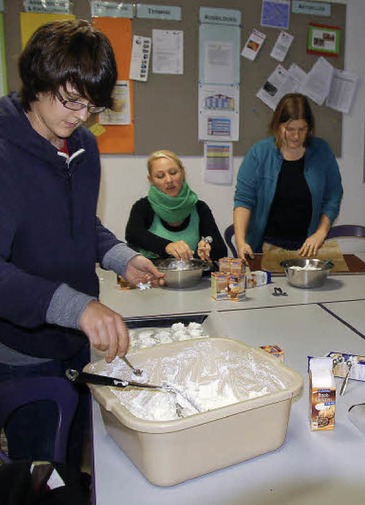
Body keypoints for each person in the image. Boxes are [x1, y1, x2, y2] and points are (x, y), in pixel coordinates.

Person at [0, 19, 164, 467]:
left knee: (79, 461)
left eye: (91, 106)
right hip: (22, 351)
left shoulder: (83, 147)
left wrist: (120, 257)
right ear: (38, 78)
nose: (81, 117)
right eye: (71, 101)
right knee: (39, 472)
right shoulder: (4, 150)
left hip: (76, 341)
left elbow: (79, 224)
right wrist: (79, 307)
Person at [233, 93, 343, 258]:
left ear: (309, 128)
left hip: (307, 247)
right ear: (278, 125)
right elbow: (243, 200)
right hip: (264, 245)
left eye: (302, 129)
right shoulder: (259, 153)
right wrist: (241, 243)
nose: (296, 136)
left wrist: (320, 232)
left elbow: (333, 195)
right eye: (290, 129)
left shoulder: (322, 152)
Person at [125, 149, 227, 265]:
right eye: (160, 176)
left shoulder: (199, 208)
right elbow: (133, 234)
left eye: (173, 173)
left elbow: (220, 251)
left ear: (182, 173)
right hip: (151, 277)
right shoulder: (143, 207)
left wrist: (207, 248)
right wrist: (167, 246)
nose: (169, 180)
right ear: (151, 180)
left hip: (190, 277)